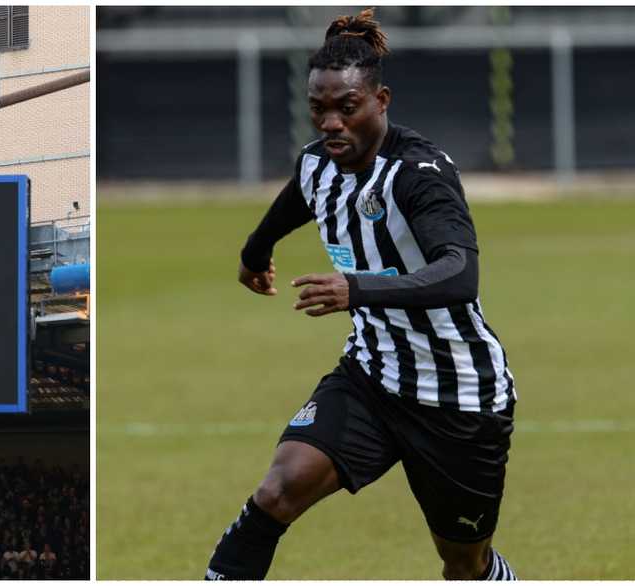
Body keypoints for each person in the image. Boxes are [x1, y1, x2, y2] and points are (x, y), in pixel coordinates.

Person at [205, 9, 517, 581]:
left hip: (460, 395)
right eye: (319, 109)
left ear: (381, 100)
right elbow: (297, 199)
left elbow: (459, 275)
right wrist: (255, 252)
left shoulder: (419, 173)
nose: (330, 123)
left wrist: (357, 289)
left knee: (463, 563)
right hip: (372, 377)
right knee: (277, 492)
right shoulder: (318, 164)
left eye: (346, 108)